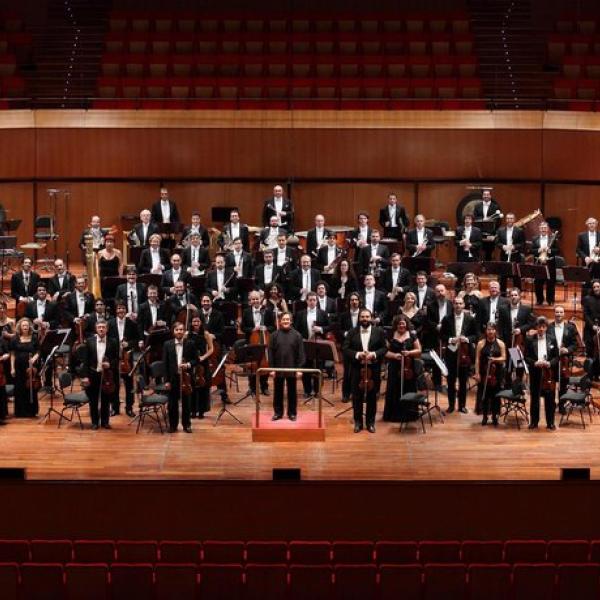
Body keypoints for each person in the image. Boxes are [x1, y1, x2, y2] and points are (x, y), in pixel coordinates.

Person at [343, 308, 387, 433]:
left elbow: (384, 349)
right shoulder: (352, 332)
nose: (365, 319)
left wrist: (373, 354)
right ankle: (358, 422)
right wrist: (358, 354)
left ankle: (370, 423)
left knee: (372, 397)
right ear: (359, 318)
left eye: (367, 316)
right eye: (362, 317)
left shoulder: (379, 332)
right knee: (356, 396)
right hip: (357, 368)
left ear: (371, 318)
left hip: (373, 368)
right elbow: (345, 349)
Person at [441, 296, 478, 413]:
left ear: (463, 305)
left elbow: (476, 335)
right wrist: (451, 339)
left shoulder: (470, 319)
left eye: (460, 303)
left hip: (465, 352)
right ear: (453, 305)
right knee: (451, 380)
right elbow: (442, 335)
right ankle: (451, 405)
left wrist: (466, 339)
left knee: (463, 380)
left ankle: (462, 405)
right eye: (456, 303)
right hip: (451, 351)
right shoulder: (446, 319)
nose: (458, 305)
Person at [383, 314, 422, 422]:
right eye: (399, 324)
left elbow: (419, 350)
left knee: (409, 387)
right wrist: (395, 356)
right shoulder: (390, 335)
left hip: (408, 366)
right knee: (393, 388)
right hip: (394, 366)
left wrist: (409, 352)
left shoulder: (412, 335)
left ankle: (410, 415)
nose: (401, 326)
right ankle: (394, 415)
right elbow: (385, 351)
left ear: (406, 324)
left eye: (403, 324)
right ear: (396, 325)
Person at [81, 320, 118, 430]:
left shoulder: (113, 342)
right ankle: (94, 422)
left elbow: (117, 359)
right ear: (96, 329)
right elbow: (86, 361)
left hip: (107, 375)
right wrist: (86, 376)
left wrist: (110, 364)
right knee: (93, 400)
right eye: (99, 327)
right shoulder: (89, 341)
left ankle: (105, 422)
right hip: (93, 374)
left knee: (106, 399)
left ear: (107, 329)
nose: (101, 329)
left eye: (103, 327)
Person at [268, 311, 304, 421]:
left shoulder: (297, 335)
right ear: (280, 321)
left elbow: (301, 354)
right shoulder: (274, 335)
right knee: (278, 391)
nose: (285, 321)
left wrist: (299, 369)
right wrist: (272, 369)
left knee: (292, 391)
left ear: (291, 321)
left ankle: (292, 413)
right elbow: (270, 353)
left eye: (287, 319)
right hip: (278, 368)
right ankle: (278, 413)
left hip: (292, 368)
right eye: (283, 319)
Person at [294, 292, 330, 398]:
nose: (312, 302)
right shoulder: (300, 314)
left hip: (318, 344)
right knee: (306, 368)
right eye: (310, 300)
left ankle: (317, 391)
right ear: (307, 301)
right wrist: (301, 338)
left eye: (314, 300)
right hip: (305, 344)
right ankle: (307, 390)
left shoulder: (322, 313)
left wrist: (321, 329)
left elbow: (330, 326)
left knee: (318, 368)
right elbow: (296, 329)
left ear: (317, 301)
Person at [525, 316, 558, 430]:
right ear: (536, 327)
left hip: (548, 373)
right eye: (539, 327)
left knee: (550, 398)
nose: (541, 329)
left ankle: (550, 423)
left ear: (546, 327)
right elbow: (526, 357)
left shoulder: (552, 339)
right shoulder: (530, 339)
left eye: (543, 327)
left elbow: (557, 357)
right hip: (535, 372)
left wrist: (550, 363)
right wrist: (534, 363)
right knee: (534, 398)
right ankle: (534, 422)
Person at [163, 321, 196, 433]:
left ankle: (187, 425)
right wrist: (166, 381)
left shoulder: (190, 343)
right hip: (173, 378)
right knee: (172, 404)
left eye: (181, 329)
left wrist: (188, 364)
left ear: (184, 331)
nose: (179, 332)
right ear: (173, 331)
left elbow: (196, 360)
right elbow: (165, 364)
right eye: (177, 330)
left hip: (186, 377)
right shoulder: (167, 344)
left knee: (187, 402)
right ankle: (173, 425)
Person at [241, 291, 276, 397]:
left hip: (264, 340)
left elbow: (273, 327)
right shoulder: (246, 312)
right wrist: (252, 329)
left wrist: (266, 328)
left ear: (260, 299)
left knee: (264, 363)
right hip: (251, 341)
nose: (255, 301)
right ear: (250, 301)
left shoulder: (268, 311)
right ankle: (252, 388)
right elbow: (243, 328)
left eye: (257, 299)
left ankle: (264, 387)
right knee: (252, 364)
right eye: (253, 299)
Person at [108, 302, 139, 417]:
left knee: (129, 384)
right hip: (114, 358)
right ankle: (115, 408)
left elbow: (136, 340)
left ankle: (129, 408)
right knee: (114, 383)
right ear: (116, 310)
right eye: (119, 308)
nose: (121, 310)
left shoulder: (132, 323)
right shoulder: (110, 323)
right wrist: (116, 345)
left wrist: (128, 343)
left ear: (126, 310)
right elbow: (108, 339)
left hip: (127, 358)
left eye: (123, 308)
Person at [474, 322, 506, 426]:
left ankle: (495, 416)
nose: (490, 331)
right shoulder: (481, 343)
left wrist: (494, 359)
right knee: (484, 395)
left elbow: (504, 358)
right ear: (486, 331)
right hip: (484, 373)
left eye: (492, 329)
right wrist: (477, 373)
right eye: (488, 329)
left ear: (495, 331)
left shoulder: (501, 343)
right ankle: (484, 416)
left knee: (496, 396)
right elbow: (477, 359)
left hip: (496, 374)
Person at [548, 305, 579, 412]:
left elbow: (575, 344)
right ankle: (551, 404)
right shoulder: (549, 327)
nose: (559, 314)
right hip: (552, 359)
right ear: (554, 314)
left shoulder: (570, 328)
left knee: (563, 383)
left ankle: (561, 404)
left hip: (564, 360)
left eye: (561, 312)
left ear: (564, 314)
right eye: (557, 312)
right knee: (551, 383)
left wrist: (567, 350)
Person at [10, 318, 40, 418]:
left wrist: (34, 359)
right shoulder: (15, 338)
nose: (25, 327)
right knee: (19, 388)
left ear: (29, 327)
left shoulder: (34, 337)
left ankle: (31, 411)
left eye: (27, 325)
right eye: (23, 326)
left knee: (30, 388)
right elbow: (12, 354)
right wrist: (12, 368)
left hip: (30, 367)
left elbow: (38, 352)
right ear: (20, 327)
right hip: (18, 367)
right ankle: (20, 412)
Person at [187, 315, 213, 419]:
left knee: (203, 387)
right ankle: (192, 411)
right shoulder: (187, 334)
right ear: (191, 323)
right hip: (191, 362)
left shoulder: (206, 334)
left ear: (201, 322)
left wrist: (203, 357)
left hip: (203, 362)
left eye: (198, 321)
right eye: (194, 321)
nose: (196, 323)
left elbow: (211, 349)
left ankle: (201, 411)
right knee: (192, 386)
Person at [339, 292, 362, 401]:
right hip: (347, 347)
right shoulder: (343, 315)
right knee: (347, 371)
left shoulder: (364, 314)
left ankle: (356, 393)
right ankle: (346, 394)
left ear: (359, 301)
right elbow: (339, 329)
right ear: (349, 302)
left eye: (356, 300)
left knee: (358, 371)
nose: (354, 302)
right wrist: (345, 334)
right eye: (352, 300)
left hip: (360, 346)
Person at [530, 221, 559, 306]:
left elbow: (558, 250)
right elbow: (531, 250)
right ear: (539, 229)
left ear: (548, 229)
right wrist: (538, 250)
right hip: (538, 263)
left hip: (550, 263)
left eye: (545, 228)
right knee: (538, 283)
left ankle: (550, 300)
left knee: (550, 282)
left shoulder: (553, 238)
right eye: (542, 228)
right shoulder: (535, 238)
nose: (543, 229)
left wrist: (549, 250)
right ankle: (539, 300)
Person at [495, 212, 525, 293]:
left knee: (516, 277)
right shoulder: (500, 230)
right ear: (506, 220)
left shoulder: (519, 230)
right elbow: (497, 242)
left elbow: (522, 243)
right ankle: (502, 295)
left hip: (515, 256)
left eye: (511, 218)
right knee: (503, 277)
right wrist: (503, 246)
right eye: (508, 218)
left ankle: (517, 294)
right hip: (504, 256)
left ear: (514, 220)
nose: (509, 220)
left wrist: (514, 246)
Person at [473, 189, 502, 261]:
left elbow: (498, 220)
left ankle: (488, 268)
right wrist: (483, 220)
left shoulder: (495, 206)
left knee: (489, 252)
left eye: (487, 194)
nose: (486, 196)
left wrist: (494, 232)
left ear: (490, 196)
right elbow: (475, 218)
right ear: (482, 196)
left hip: (491, 233)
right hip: (479, 233)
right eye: (484, 194)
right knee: (478, 251)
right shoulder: (477, 206)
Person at [583, 279, 600, 379]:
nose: (596, 289)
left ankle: (598, 373)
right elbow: (585, 315)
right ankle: (591, 374)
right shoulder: (587, 298)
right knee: (590, 351)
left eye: (598, 286)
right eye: (594, 287)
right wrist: (593, 325)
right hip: (590, 329)